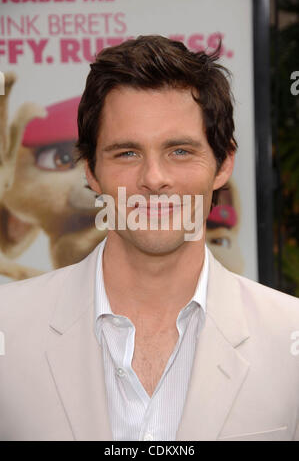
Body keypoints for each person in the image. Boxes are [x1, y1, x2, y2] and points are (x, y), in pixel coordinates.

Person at [0, 35, 299, 442]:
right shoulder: (7, 329)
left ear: (223, 163)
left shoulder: (289, 337)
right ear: (89, 169)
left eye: (179, 151)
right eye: (127, 153)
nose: (154, 179)